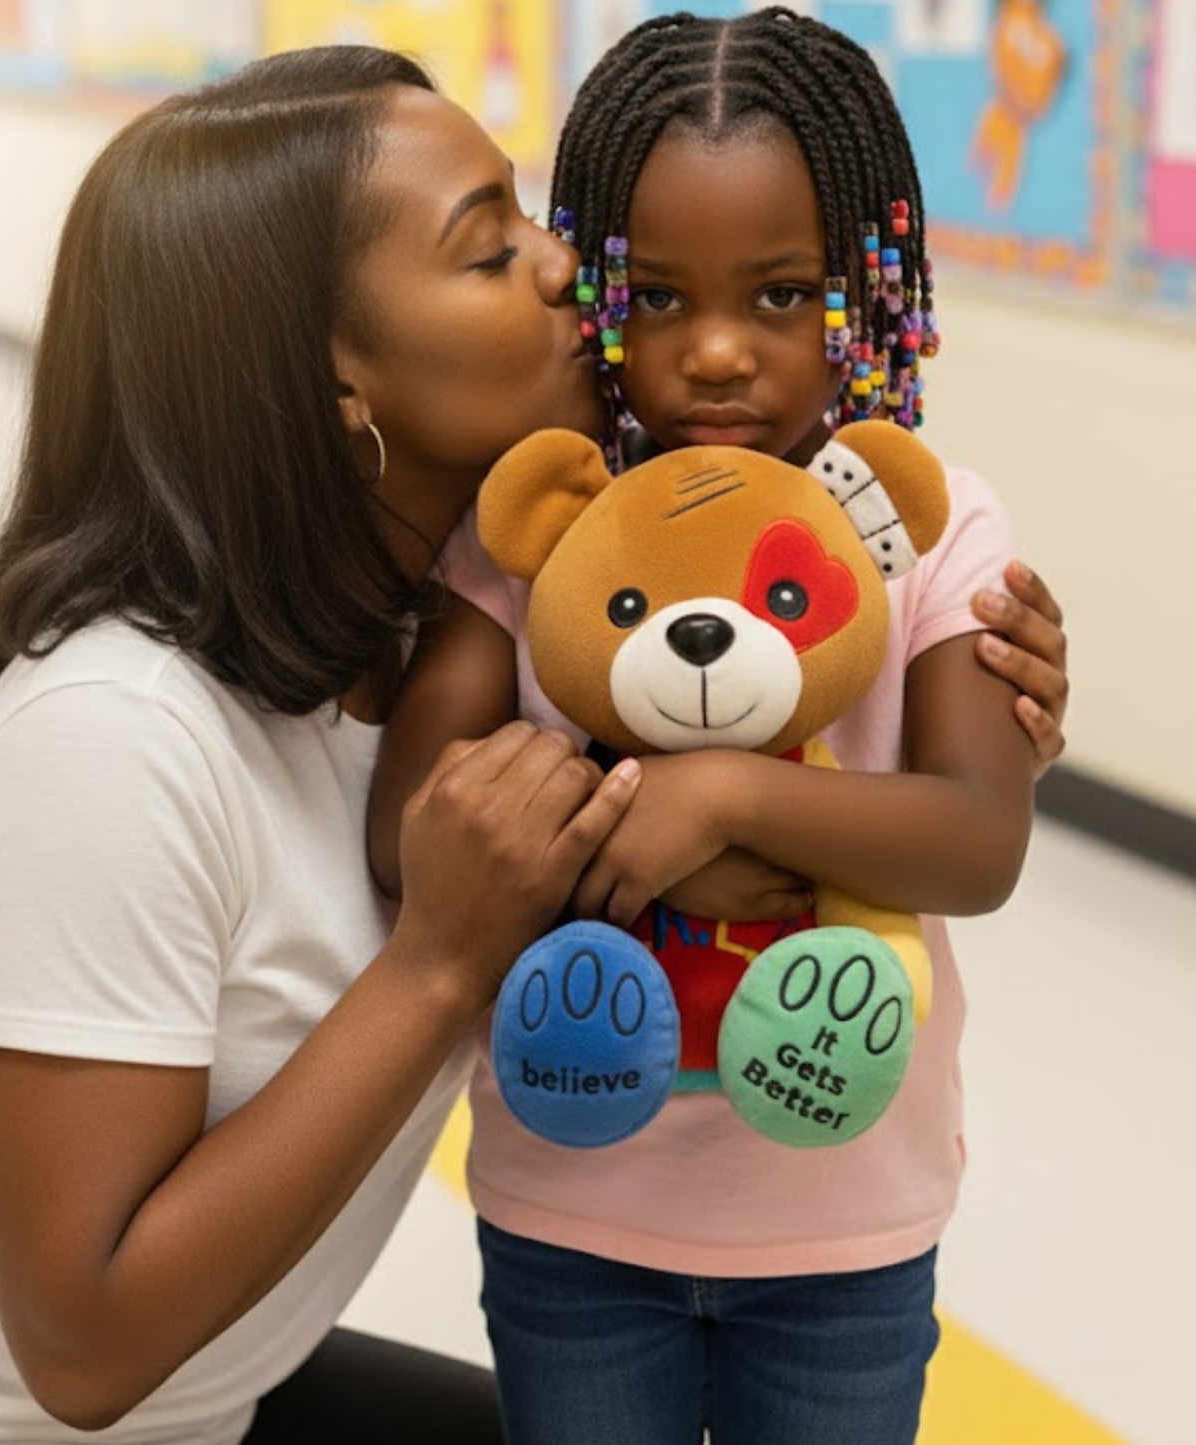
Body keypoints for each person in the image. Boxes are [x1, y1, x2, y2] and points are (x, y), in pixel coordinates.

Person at [0, 46, 646, 1444]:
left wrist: (971, 659)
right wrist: (438, 961)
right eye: (488, 252)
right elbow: (84, 1348)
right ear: (337, 381)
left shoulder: (445, 654)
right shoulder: (113, 738)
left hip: (204, 1400)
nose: (559, 268)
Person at [367, 9, 1069, 1445]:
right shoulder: (541, 522)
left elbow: (977, 839)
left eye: (785, 296)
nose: (718, 356)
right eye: (662, 298)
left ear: (872, 291)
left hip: (845, 1239)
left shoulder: (936, 527)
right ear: (594, 288)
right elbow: (407, 825)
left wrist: (730, 802)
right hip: (574, 1216)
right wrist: (652, 840)